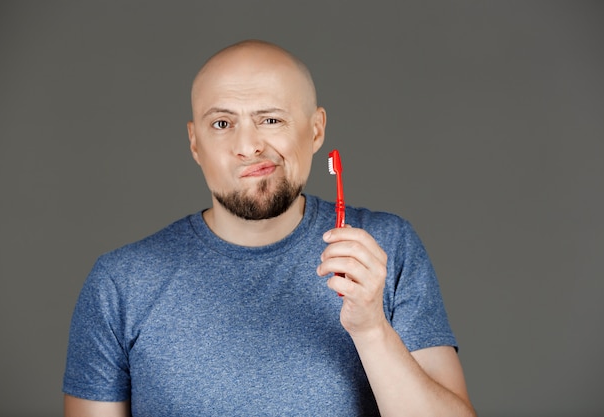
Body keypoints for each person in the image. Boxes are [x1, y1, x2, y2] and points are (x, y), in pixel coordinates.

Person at [63, 39, 476, 417]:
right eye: (222, 124)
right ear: (194, 143)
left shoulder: (387, 248)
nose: (248, 145)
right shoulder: (121, 283)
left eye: (271, 120)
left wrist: (371, 329)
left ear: (316, 130)